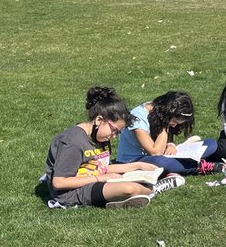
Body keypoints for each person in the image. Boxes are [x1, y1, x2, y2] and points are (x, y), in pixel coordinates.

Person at [45, 86, 182, 209]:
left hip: (91, 180)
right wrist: (99, 179)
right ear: (99, 120)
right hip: (72, 193)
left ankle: (133, 194)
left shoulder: (100, 134)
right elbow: (59, 182)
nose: (114, 136)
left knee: (134, 182)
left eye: (118, 132)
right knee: (129, 188)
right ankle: (155, 189)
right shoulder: (72, 142)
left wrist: (138, 165)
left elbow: (100, 167)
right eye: (114, 130)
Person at [117, 91, 226, 176]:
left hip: (164, 154)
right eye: (174, 121)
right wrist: (164, 125)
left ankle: (184, 164)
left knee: (211, 143)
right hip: (136, 161)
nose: (175, 125)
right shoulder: (138, 118)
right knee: (161, 162)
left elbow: (165, 142)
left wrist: (171, 145)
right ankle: (197, 167)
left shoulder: (159, 113)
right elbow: (155, 152)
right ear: (166, 113)